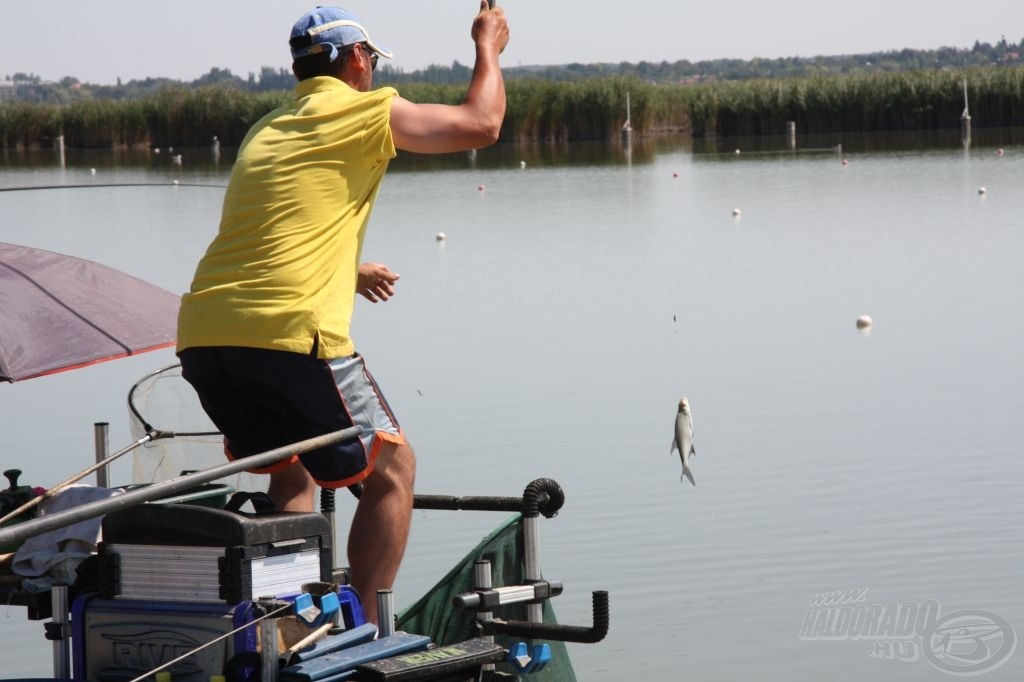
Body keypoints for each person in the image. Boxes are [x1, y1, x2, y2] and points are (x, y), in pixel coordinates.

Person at [176, 2, 509, 624]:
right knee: (391, 469)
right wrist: (487, 44)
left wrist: (348, 269)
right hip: (291, 336)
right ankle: (363, 626)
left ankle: (285, 623)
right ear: (358, 59)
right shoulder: (364, 110)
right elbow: (481, 123)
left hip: (207, 336)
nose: (375, 73)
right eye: (373, 61)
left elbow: (273, 227)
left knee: (292, 471)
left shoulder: (267, 128)